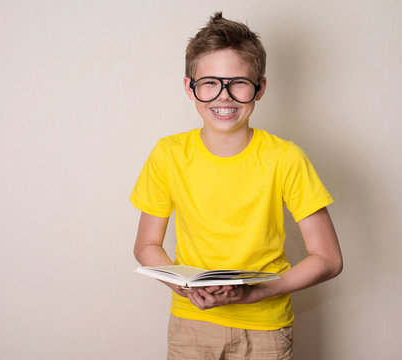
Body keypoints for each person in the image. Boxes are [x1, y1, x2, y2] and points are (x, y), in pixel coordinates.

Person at [130, 12, 343, 360]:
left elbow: (329, 259)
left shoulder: (285, 158)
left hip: (266, 329)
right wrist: (183, 289)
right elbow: (147, 245)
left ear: (260, 87)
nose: (224, 96)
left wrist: (258, 293)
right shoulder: (168, 154)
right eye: (210, 82)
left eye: (238, 83)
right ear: (189, 87)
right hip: (191, 325)